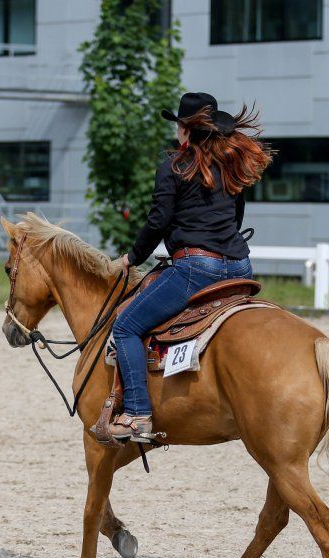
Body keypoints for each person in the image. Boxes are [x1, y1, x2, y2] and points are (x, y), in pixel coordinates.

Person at [107, 92, 271, 442]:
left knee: (125, 327)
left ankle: (137, 413)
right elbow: (237, 217)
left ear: (185, 130)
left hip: (196, 269)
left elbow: (157, 221)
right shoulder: (231, 165)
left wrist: (131, 258)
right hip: (241, 268)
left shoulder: (172, 167)